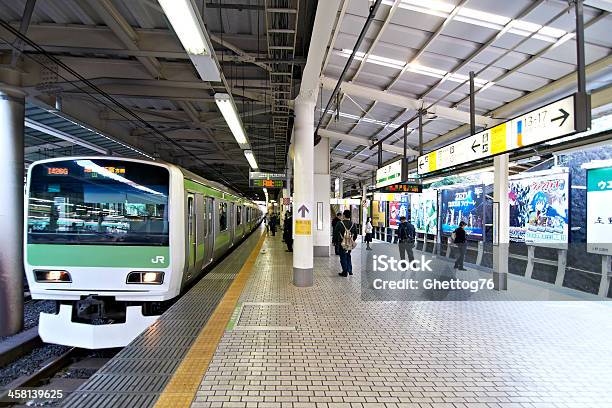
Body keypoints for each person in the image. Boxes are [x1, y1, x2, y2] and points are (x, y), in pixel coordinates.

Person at [333, 209, 358, 277]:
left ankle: (345, 272)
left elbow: (335, 233)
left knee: (343, 257)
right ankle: (349, 270)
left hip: (342, 243)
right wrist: (351, 240)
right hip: (349, 243)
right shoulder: (353, 224)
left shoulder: (340, 223)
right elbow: (356, 234)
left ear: (344, 215)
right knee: (348, 255)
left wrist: (334, 241)